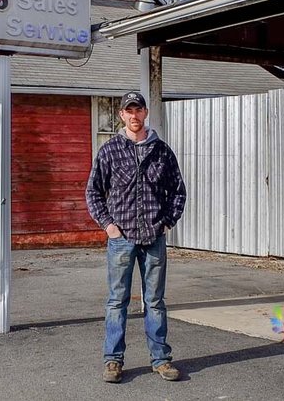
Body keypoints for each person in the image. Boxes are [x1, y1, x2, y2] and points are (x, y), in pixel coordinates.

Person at [86, 90, 187, 383]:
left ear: (145, 113)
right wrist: (108, 225)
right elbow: (93, 192)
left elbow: (178, 191)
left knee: (154, 301)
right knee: (117, 301)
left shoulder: (162, 151)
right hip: (121, 239)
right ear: (121, 115)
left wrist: (167, 222)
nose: (134, 115)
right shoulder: (110, 150)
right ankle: (113, 360)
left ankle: (161, 360)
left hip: (154, 237)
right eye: (129, 111)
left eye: (138, 110)